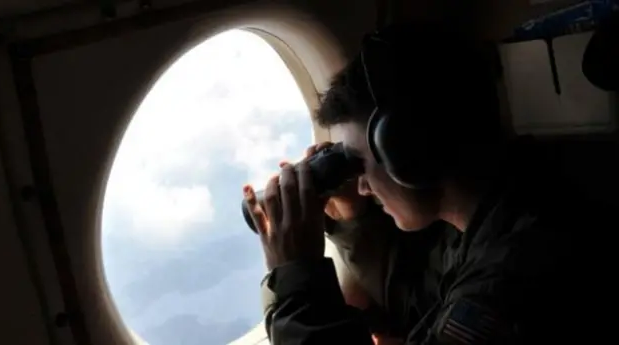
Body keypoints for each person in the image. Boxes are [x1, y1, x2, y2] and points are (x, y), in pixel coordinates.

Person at [242, 23, 609, 344]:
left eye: (359, 163)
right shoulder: (490, 216)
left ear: (410, 146)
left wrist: (295, 281)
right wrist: (354, 223)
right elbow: (421, 308)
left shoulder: (521, 265)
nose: (363, 187)